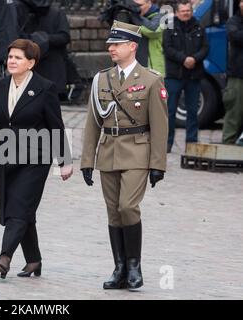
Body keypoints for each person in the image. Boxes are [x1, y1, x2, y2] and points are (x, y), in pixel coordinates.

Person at [0, 39, 73, 279]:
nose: (12, 61)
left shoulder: (45, 88)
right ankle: (34, 260)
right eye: (10, 56)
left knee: (19, 208)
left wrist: (65, 161)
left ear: (31, 63)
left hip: (36, 159)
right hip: (6, 158)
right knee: (22, 210)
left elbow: (56, 126)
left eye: (18, 58)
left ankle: (5, 257)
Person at [80, 21, 168, 290]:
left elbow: (160, 125)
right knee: (113, 212)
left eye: (116, 44)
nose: (111, 49)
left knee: (128, 207)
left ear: (132, 46)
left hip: (137, 151)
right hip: (108, 150)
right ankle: (118, 267)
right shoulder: (101, 79)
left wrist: (158, 164)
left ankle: (134, 266)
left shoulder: (151, 80)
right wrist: (87, 161)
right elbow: (92, 122)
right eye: (110, 45)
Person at [163, 0, 209, 153]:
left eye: (188, 11)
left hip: (194, 75)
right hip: (174, 75)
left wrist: (194, 59)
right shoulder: (169, 27)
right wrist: (184, 59)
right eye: (183, 11)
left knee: (192, 112)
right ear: (177, 13)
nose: (186, 13)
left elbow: (205, 47)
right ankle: (167, 143)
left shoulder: (198, 25)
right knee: (169, 111)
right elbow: (167, 48)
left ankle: (191, 144)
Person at [17, 0, 71, 99]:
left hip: (52, 67)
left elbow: (64, 37)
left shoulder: (56, 13)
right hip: (30, 68)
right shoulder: (22, 11)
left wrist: (44, 38)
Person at [222, 0, 243, 145]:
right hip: (238, 75)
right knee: (234, 112)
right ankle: (228, 144)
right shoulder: (233, 21)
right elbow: (236, 37)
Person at [130, 0, 165, 75]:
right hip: (134, 64)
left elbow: (153, 31)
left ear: (149, 3)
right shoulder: (132, 16)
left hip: (152, 67)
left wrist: (136, 17)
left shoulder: (161, 15)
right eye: (135, 6)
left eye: (140, 5)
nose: (137, 8)